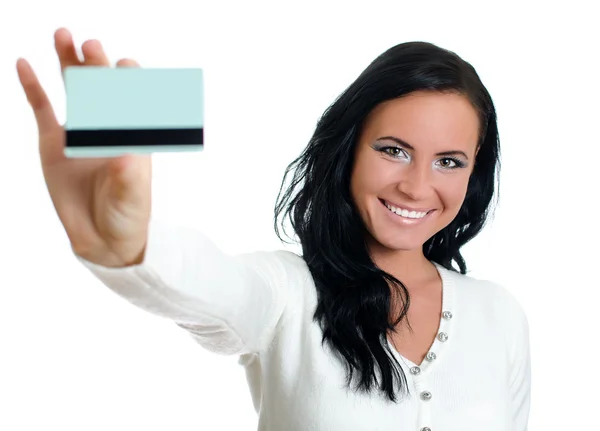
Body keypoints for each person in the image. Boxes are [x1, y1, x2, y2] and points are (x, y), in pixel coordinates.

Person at [17, 27, 531, 431]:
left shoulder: (499, 313)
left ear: (474, 173)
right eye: (393, 150)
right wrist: (128, 241)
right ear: (348, 149)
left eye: (448, 161)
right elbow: (210, 285)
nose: (417, 187)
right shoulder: (287, 290)